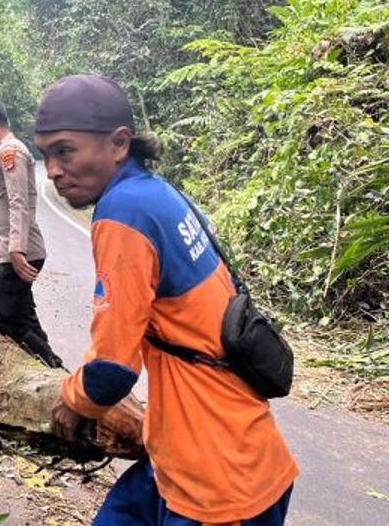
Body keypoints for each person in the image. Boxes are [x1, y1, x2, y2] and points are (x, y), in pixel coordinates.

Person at [36, 75, 297, 525]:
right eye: (46, 155)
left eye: (64, 151)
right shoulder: (157, 193)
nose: (53, 169)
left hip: (215, 480)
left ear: (118, 144)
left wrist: (71, 400)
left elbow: (112, 371)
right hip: (196, 452)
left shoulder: (123, 213)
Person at [0, 101, 62, 368]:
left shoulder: (11, 152)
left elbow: (19, 203)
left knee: (6, 319)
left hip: (15, 253)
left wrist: (17, 250)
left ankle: (50, 368)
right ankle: (49, 365)